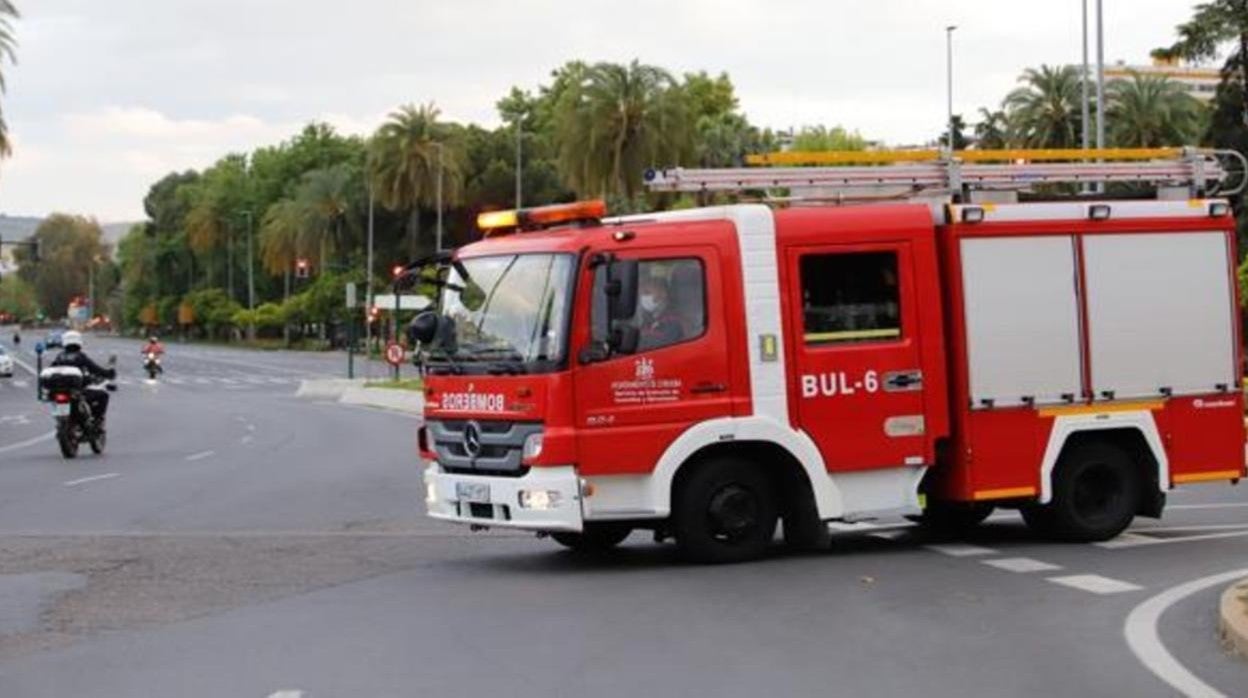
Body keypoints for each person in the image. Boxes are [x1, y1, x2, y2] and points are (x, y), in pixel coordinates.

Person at [51, 331, 116, 426]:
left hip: (61, 391)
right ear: (79, 342)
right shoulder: (80, 356)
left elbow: (52, 369)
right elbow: (95, 368)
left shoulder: (60, 357)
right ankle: (97, 420)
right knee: (103, 395)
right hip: (77, 391)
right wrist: (108, 373)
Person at [637, 277, 684, 350]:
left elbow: (657, 346)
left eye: (647, 292)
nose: (643, 297)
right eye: (641, 294)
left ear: (663, 293)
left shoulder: (673, 322)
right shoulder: (648, 318)